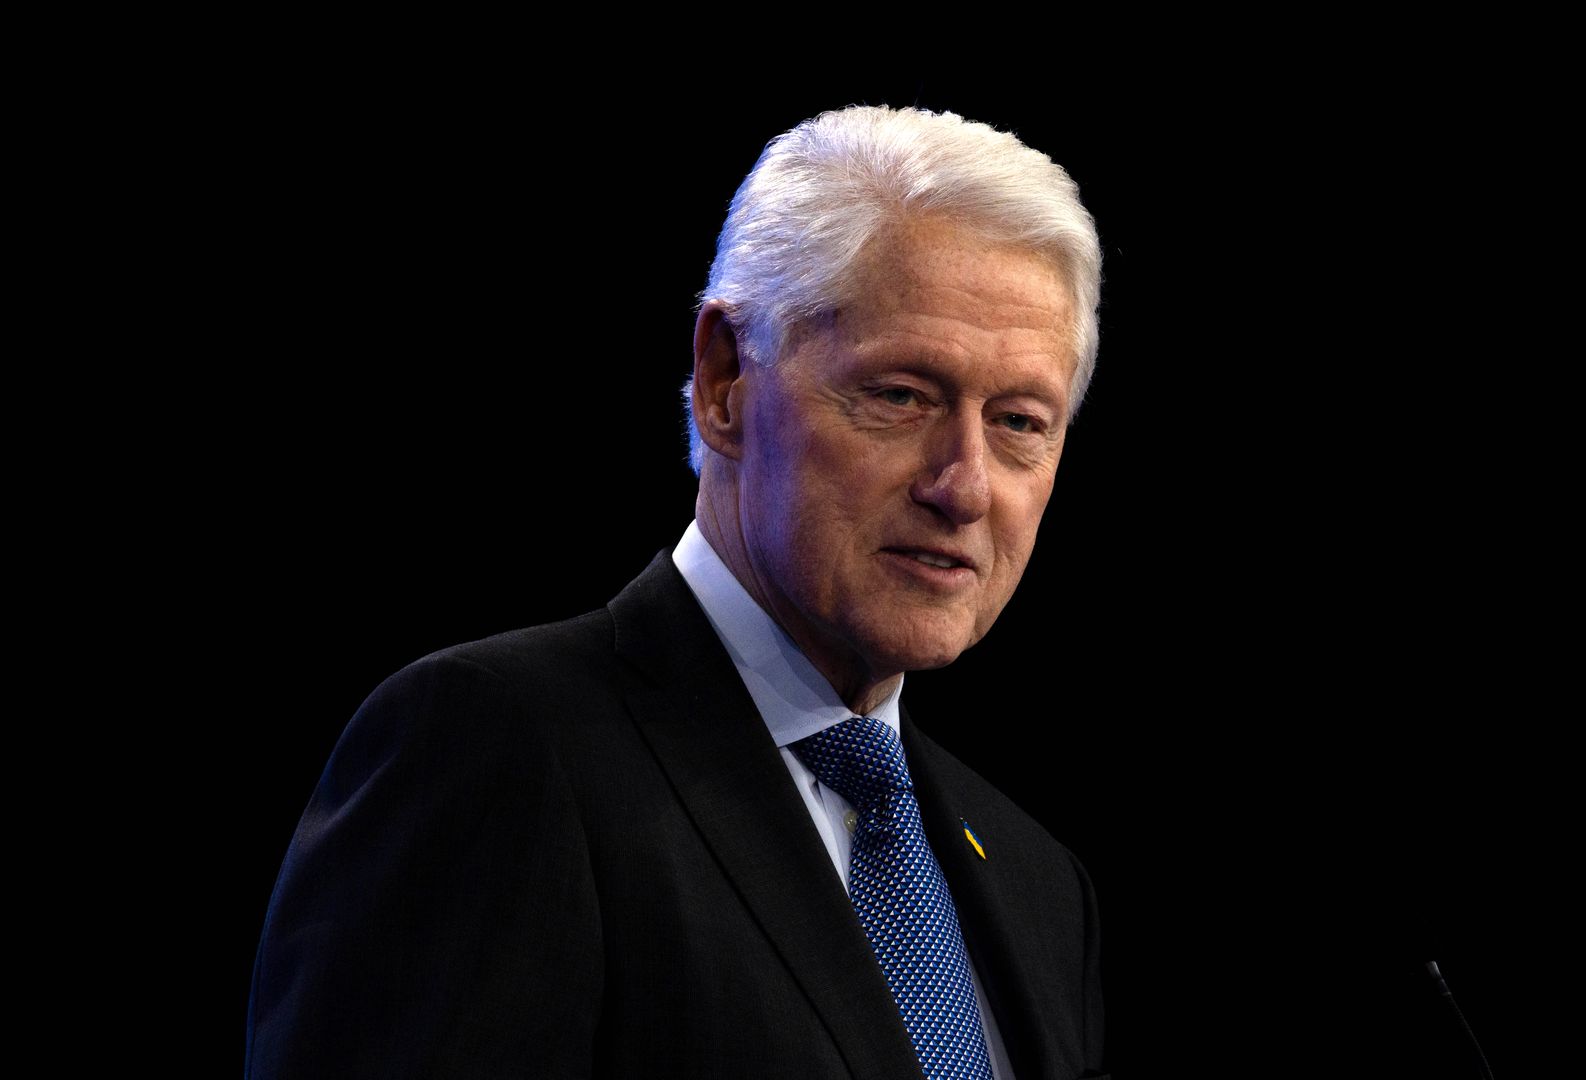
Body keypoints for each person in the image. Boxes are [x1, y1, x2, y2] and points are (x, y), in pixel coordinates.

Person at [245, 104, 1109, 1080]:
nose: (965, 487)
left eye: (1020, 422)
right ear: (725, 380)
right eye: (901, 395)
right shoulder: (498, 753)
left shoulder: (1040, 888)